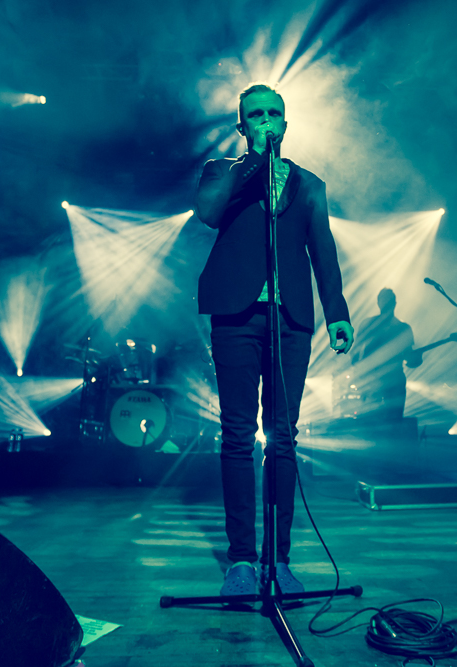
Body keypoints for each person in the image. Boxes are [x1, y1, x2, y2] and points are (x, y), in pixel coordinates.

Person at [195, 82, 353, 598]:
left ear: (286, 123)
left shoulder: (309, 184)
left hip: (290, 318)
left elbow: (323, 251)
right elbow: (209, 213)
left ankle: (278, 559)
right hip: (236, 316)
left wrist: (337, 314)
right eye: (256, 114)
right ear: (243, 126)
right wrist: (253, 164)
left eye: (274, 113)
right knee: (238, 434)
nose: (266, 120)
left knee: (283, 436)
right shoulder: (221, 172)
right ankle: (241, 560)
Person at [351, 288, 421, 422]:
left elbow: (411, 360)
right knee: (375, 420)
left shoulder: (402, 328)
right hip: (376, 381)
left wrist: (416, 358)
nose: (386, 304)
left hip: (387, 381)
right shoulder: (400, 328)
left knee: (386, 420)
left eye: (388, 301)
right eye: (385, 301)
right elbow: (355, 354)